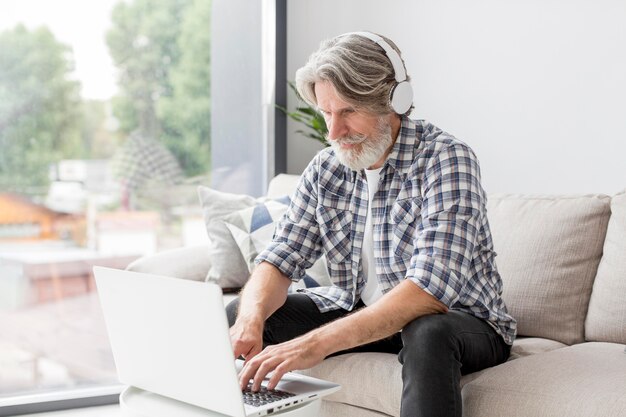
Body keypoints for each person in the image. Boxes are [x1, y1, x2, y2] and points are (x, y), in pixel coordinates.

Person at [227, 31, 517, 417]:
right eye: (326, 113)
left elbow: (427, 294)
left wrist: (314, 345)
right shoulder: (326, 169)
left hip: (461, 322)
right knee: (240, 313)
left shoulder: (447, 159)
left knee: (427, 332)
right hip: (361, 310)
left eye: (347, 112)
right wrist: (249, 319)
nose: (333, 132)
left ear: (394, 101)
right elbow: (280, 260)